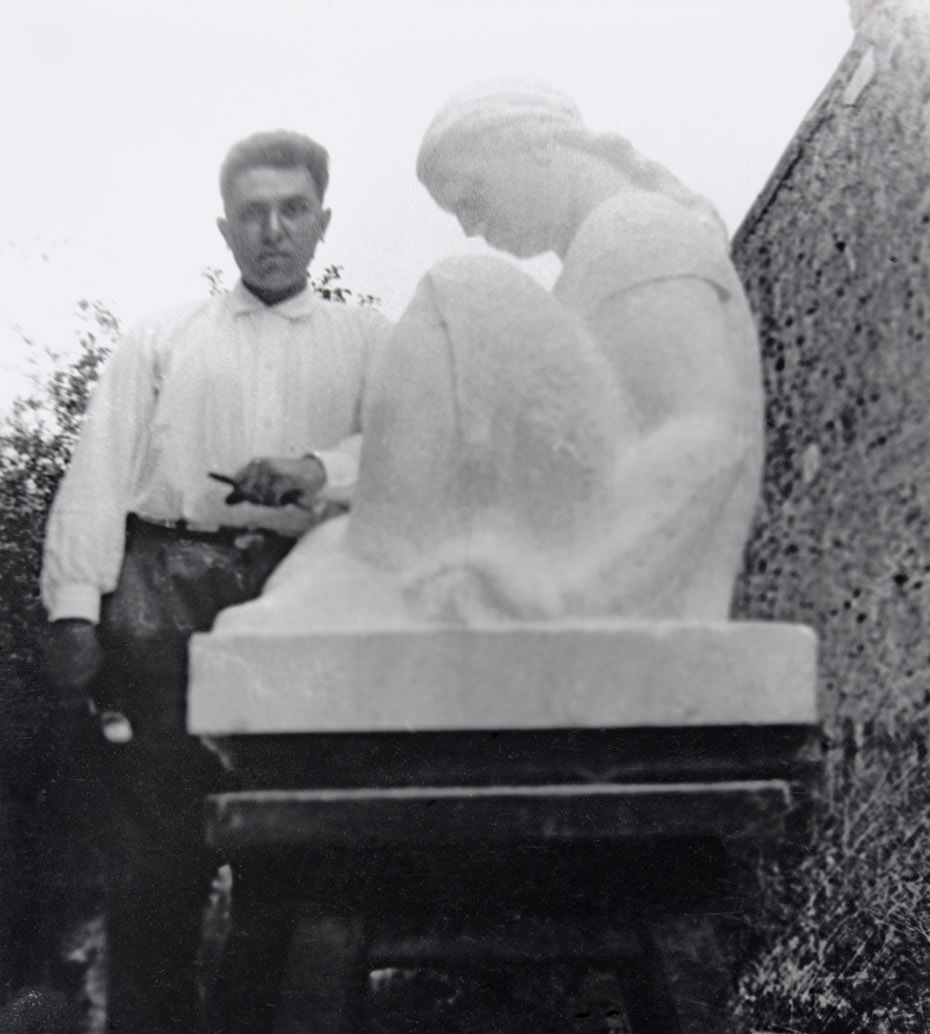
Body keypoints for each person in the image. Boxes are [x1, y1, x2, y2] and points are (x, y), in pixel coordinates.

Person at [40, 129, 390, 1034]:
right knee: (158, 869)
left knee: (289, 862)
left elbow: (417, 454)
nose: (274, 230)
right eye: (253, 212)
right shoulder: (163, 337)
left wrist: (322, 469)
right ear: (224, 225)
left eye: (294, 210)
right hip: (166, 596)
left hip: (308, 597)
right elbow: (100, 473)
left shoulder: (372, 343)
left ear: (323, 222)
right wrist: (72, 605)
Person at [227, 80, 764, 631]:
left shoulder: (635, 228)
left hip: (601, 568)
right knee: (327, 551)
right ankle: (377, 563)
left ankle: (382, 568)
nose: (469, 225)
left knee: (459, 285)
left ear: (536, 145)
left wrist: (576, 587)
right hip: (575, 537)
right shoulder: (606, 246)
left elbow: (701, 433)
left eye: (471, 194)